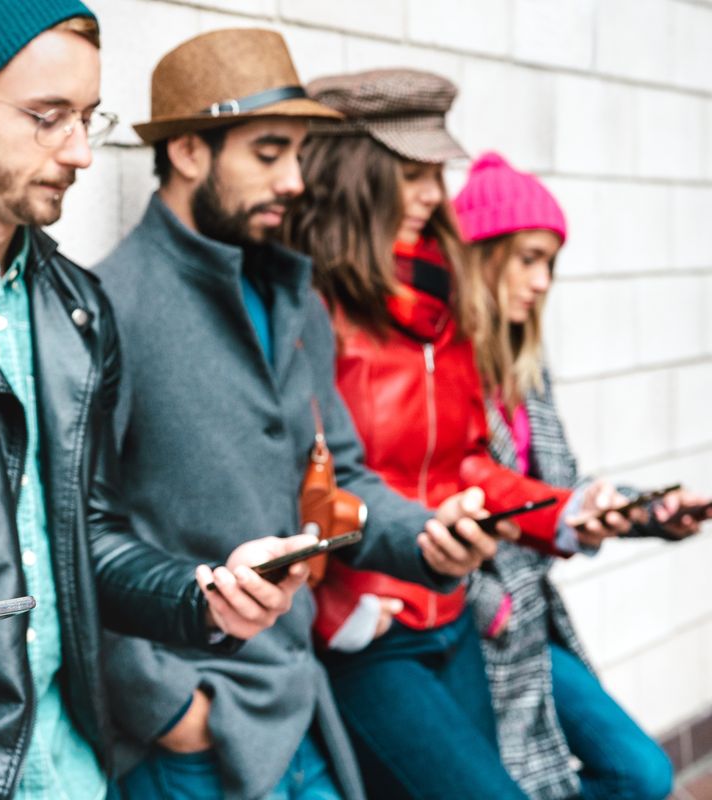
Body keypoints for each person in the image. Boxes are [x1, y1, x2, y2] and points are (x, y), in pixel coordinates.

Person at [0, 4, 315, 798]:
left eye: (86, 118)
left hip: (77, 767)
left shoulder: (78, 306)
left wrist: (201, 594)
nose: (79, 151)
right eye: (46, 118)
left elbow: (86, 534)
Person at [95, 32, 505, 800]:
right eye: (269, 152)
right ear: (188, 152)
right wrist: (169, 707)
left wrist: (426, 537)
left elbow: (341, 479)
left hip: (299, 701)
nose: (294, 179)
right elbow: (78, 530)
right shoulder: (111, 307)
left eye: (299, 154)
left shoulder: (297, 298)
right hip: (195, 734)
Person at [283, 69, 626, 799]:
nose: (433, 196)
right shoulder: (307, 301)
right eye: (411, 174)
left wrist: (560, 515)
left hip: (451, 612)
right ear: (353, 174)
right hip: (370, 633)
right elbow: (291, 478)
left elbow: (464, 461)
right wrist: (338, 607)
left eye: (435, 172)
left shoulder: (445, 300)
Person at [453, 151, 706, 800]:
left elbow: (562, 493)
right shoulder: (442, 366)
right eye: (528, 258)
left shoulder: (523, 366)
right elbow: (425, 498)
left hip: (531, 624)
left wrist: (649, 512)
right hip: (472, 628)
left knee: (640, 771)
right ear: (483, 255)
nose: (542, 281)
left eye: (550, 263)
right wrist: (490, 605)